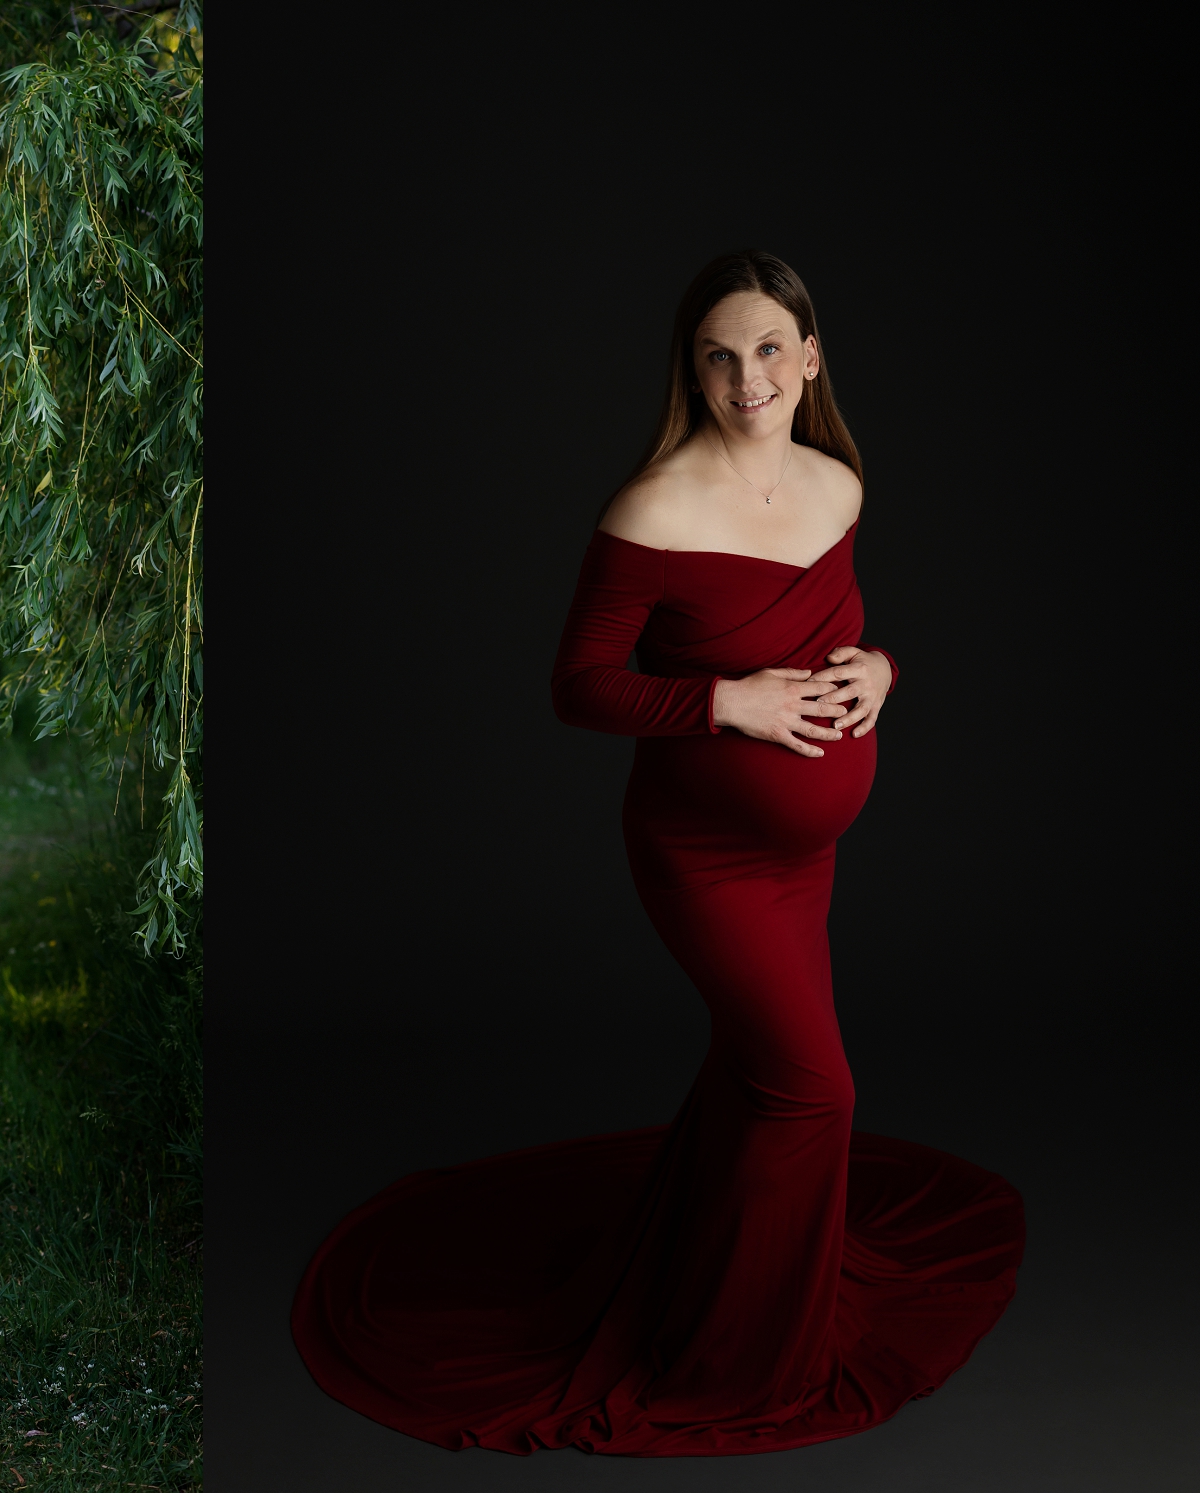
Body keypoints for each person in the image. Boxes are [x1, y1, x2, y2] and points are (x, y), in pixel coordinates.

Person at [291, 252, 1025, 1456]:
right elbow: (577, 687)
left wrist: (886, 671)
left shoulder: (838, 484)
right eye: (720, 356)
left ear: (811, 356)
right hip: (708, 857)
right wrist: (722, 706)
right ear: (692, 369)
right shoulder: (652, 507)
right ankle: (742, 1355)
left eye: (770, 350)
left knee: (758, 1075)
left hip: (807, 857)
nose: (749, 379)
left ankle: (702, 1282)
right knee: (812, 1087)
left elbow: (843, 629)